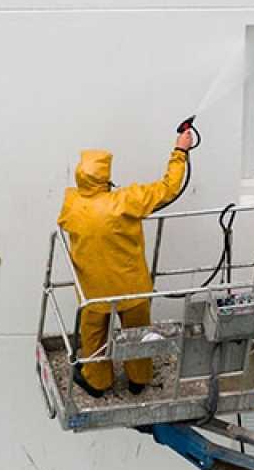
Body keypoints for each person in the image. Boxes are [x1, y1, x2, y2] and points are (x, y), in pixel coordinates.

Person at [57, 129, 194, 398]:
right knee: (138, 334)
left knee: (93, 337)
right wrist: (181, 151)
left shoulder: (71, 203)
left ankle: (97, 383)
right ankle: (138, 380)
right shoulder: (125, 202)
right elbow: (169, 188)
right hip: (133, 289)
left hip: (93, 292)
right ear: (106, 176)